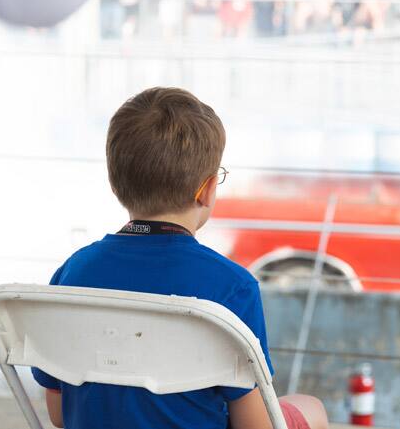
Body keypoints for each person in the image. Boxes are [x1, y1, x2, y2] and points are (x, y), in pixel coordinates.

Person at [31, 88, 329, 429]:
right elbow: (254, 426)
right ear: (206, 190)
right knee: (311, 408)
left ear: (115, 183)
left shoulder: (73, 273)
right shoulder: (232, 287)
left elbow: (58, 414)